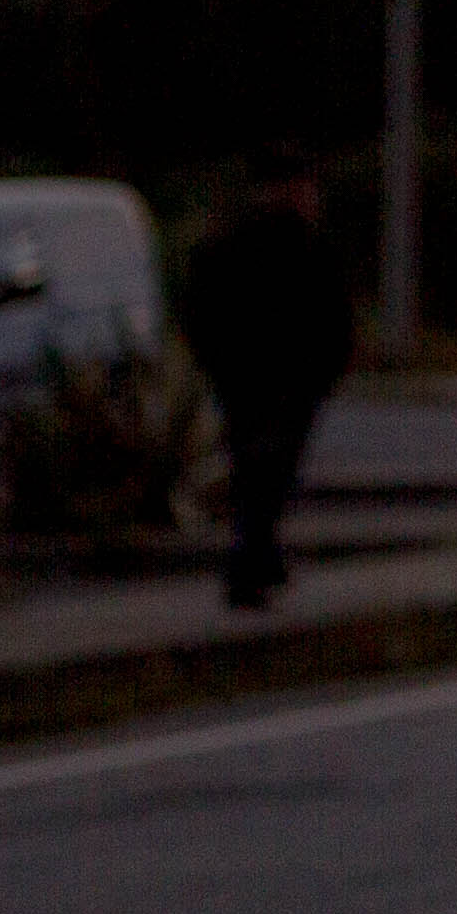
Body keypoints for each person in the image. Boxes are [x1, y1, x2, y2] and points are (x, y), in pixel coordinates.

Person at [179, 168, 356, 609]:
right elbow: (332, 316)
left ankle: (259, 561)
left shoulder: (236, 244)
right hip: (279, 382)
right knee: (268, 475)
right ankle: (252, 565)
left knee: (258, 475)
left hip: (254, 381)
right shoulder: (299, 248)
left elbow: (198, 305)